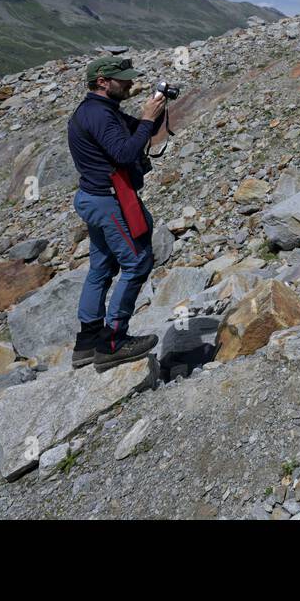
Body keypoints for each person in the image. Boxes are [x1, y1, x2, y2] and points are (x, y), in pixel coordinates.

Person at [66, 56, 168, 370]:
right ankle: (112, 342)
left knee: (103, 264)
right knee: (137, 261)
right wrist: (148, 121)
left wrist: (154, 114)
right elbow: (125, 152)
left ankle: (87, 341)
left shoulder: (102, 110)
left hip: (95, 198)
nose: (128, 83)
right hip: (107, 202)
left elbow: (136, 135)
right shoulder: (98, 115)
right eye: (122, 79)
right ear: (101, 81)